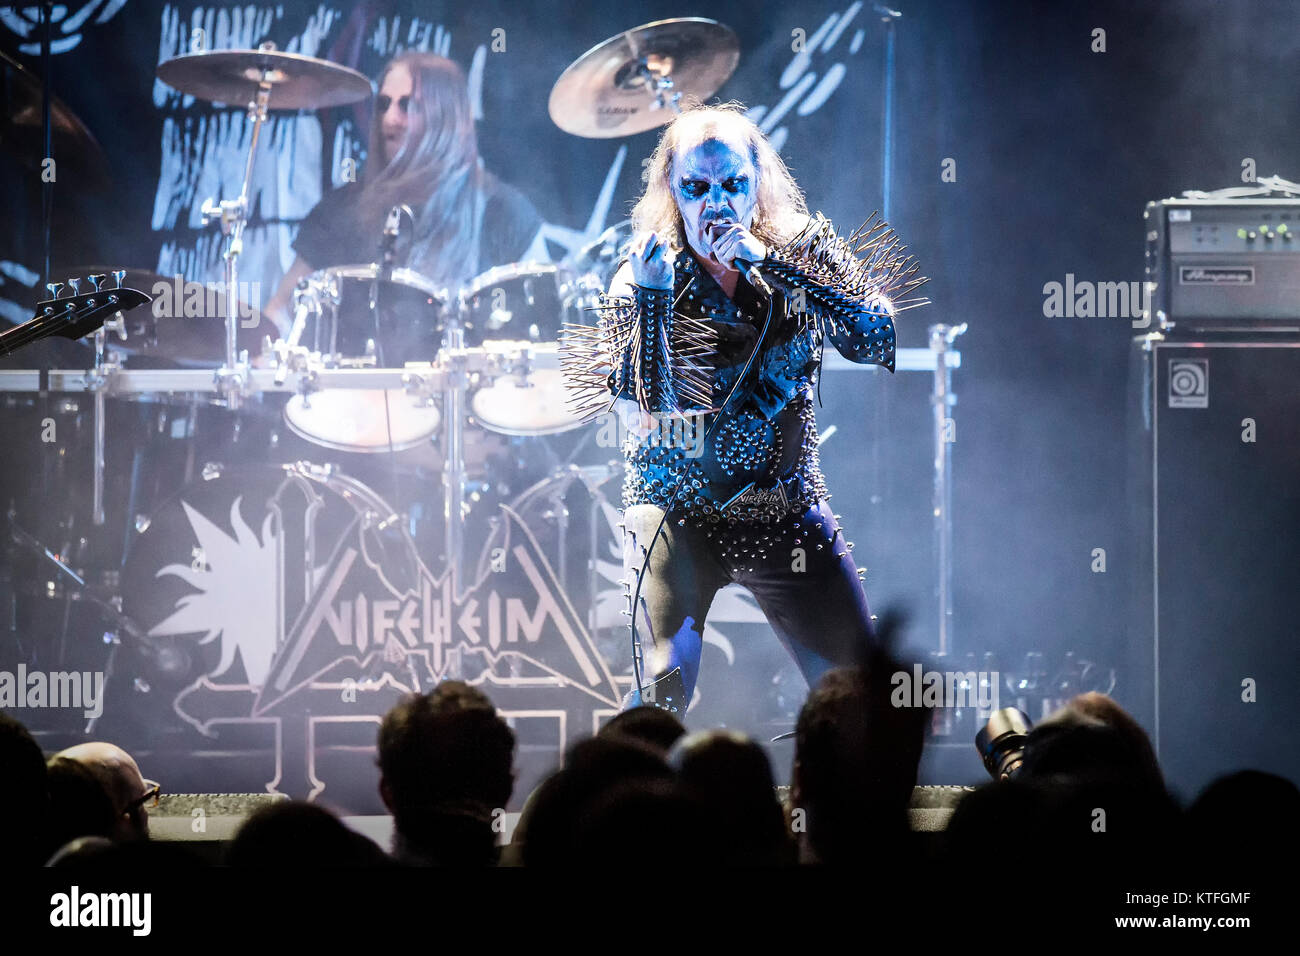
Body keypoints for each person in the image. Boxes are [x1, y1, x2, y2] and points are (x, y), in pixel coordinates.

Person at [560, 103, 926, 711]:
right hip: (679, 514)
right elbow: (651, 410)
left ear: (759, 182)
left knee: (864, 700)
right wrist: (653, 304)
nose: (717, 206)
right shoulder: (642, 274)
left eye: (733, 185)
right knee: (662, 689)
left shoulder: (803, 249)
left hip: (783, 511)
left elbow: (877, 338)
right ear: (672, 193)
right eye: (697, 189)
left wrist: (772, 264)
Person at [264, 51, 546, 337]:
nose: (390, 118)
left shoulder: (504, 212)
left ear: (447, 118)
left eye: (407, 105)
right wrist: (263, 343)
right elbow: (282, 310)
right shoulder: (340, 211)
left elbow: (548, 318)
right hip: (359, 381)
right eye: (384, 104)